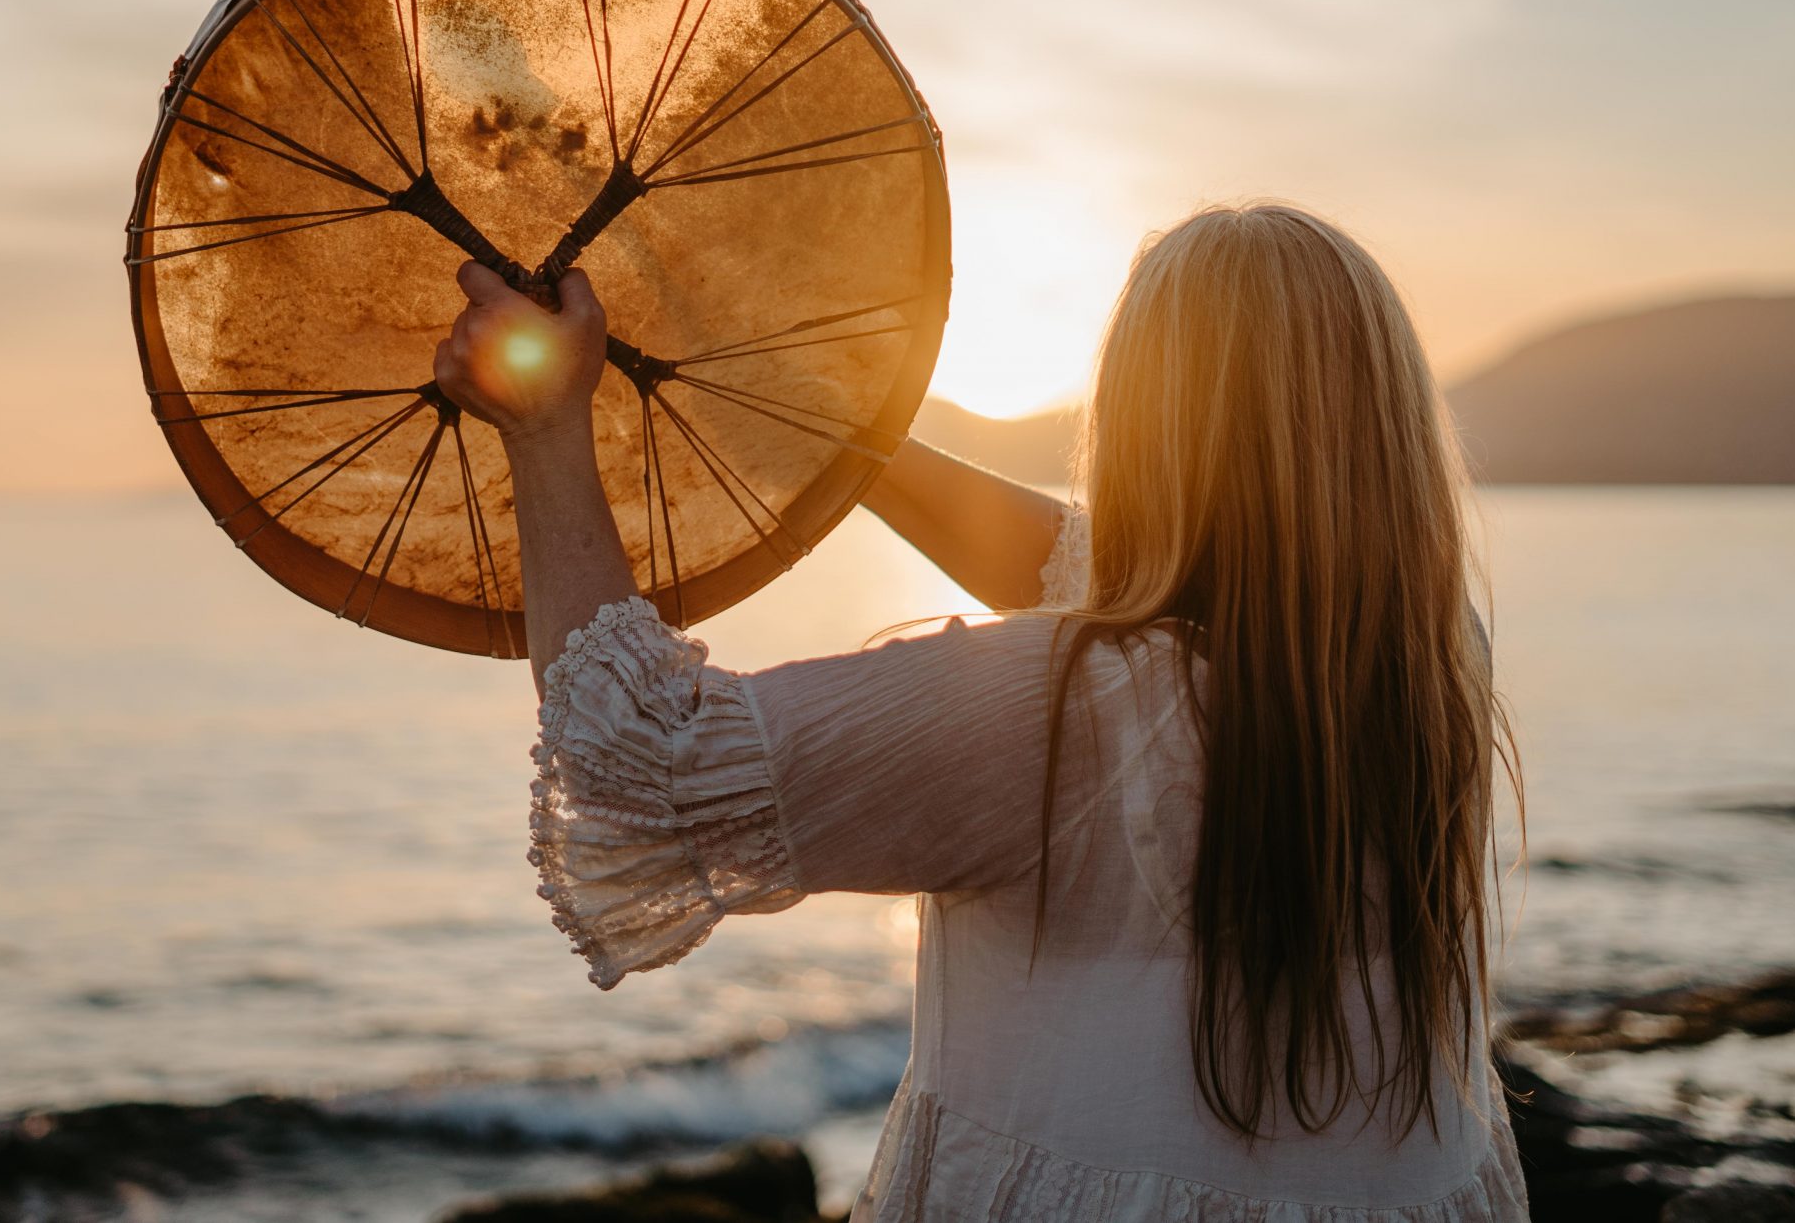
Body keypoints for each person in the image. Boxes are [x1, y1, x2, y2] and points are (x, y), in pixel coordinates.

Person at [431, 200, 1526, 1223]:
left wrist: (543, 430)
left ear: (1149, 429)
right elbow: (1102, 573)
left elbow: (638, 761)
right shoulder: (1423, 664)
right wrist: (836, 435)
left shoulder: (1066, 709)